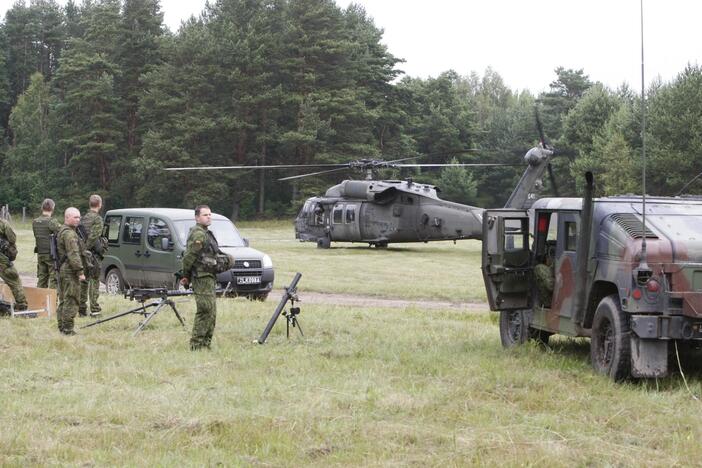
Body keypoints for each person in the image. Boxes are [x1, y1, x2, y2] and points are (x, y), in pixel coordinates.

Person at [180, 205, 219, 350]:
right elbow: (189, 256)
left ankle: (206, 344)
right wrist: (185, 275)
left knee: (211, 312)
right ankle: (196, 345)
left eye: (210, 214)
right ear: (197, 217)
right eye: (205, 215)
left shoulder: (206, 233)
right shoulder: (198, 234)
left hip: (209, 275)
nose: (208, 217)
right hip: (201, 277)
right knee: (205, 310)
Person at [56, 207, 86, 335]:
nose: (78, 220)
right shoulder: (69, 234)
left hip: (64, 269)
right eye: (75, 217)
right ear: (67, 217)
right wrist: (80, 272)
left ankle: (62, 326)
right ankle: (68, 329)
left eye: (79, 217)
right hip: (70, 270)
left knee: (64, 298)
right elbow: (73, 254)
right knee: (72, 298)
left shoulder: (63, 231)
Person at [79, 194, 104, 317]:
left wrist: (83, 250)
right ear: (99, 204)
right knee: (94, 280)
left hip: (83, 255)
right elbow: (94, 236)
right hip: (92, 255)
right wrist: (88, 248)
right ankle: (94, 308)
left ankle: (82, 308)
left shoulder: (83, 218)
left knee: (84, 281)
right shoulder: (97, 219)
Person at [32, 198, 61, 289]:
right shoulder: (51, 221)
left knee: (42, 279)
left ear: (42, 208)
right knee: (53, 279)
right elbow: (62, 231)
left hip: (40, 253)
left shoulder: (35, 221)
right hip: (50, 254)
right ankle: (52, 301)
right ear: (52, 208)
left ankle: (39, 300)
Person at [0, 218, 28, 311]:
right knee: (14, 280)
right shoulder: (3, 224)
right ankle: (22, 306)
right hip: (2, 261)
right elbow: (12, 239)